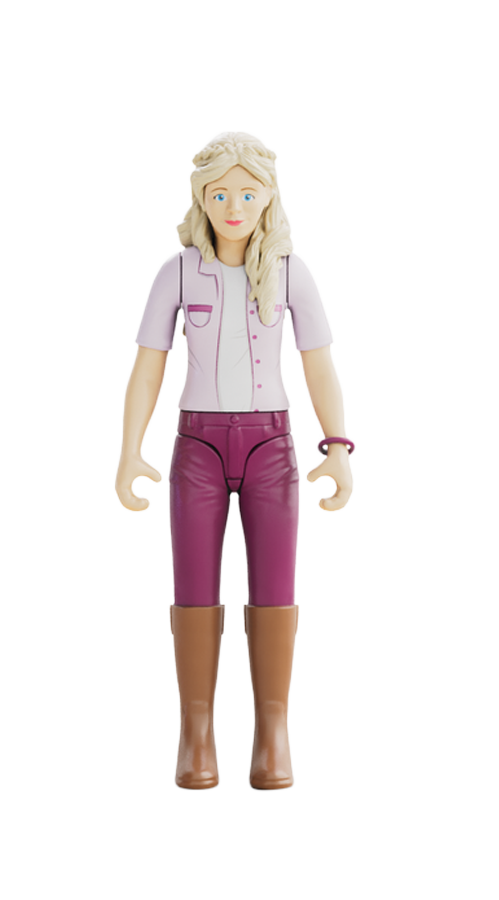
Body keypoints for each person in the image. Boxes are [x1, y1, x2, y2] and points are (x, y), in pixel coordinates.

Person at [115, 131, 354, 790]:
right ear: (201, 197)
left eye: (247, 193)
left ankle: (272, 734)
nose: (233, 206)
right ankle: (195, 734)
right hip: (196, 446)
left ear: (268, 197)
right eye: (219, 193)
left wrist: (337, 446)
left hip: (271, 448)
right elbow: (146, 369)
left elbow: (319, 365)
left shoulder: (290, 272)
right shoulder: (177, 272)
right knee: (193, 589)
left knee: (275, 588)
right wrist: (130, 450)